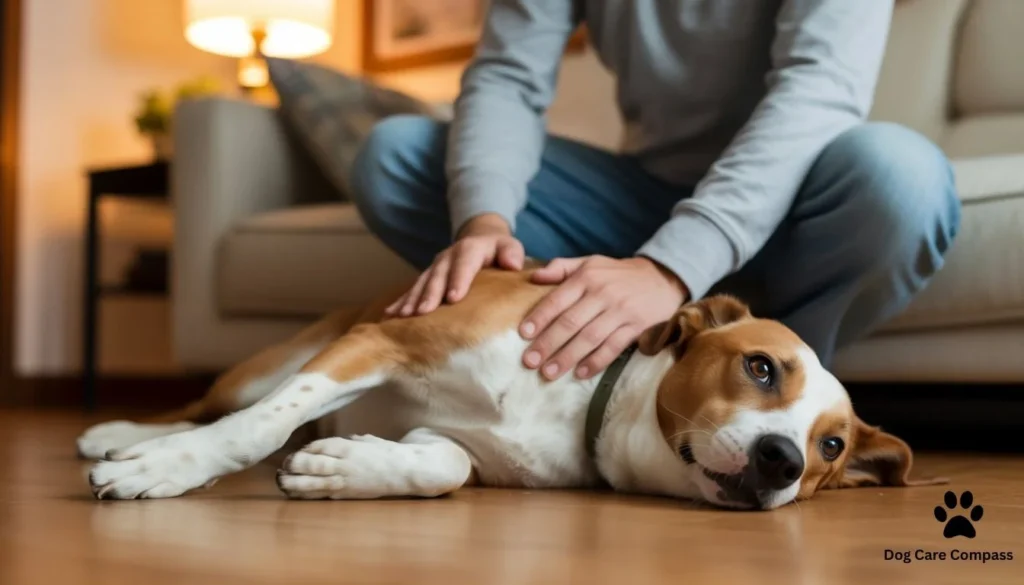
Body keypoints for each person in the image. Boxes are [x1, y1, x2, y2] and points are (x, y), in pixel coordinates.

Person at [349, 0, 961, 383]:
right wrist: (484, 219)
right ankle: (597, 359)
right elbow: (508, 76)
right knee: (397, 156)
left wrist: (668, 268)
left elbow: (820, 88)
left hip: (795, 209)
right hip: (641, 202)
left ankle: (777, 377)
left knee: (902, 180)